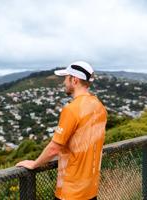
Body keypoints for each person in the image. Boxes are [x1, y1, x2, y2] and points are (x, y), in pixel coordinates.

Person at [16, 61, 107, 200]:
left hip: (71, 191)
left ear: (74, 80)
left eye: (66, 77)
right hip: (91, 188)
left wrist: (34, 164)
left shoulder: (72, 109)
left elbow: (54, 148)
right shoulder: (99, 106)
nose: (64, 81)